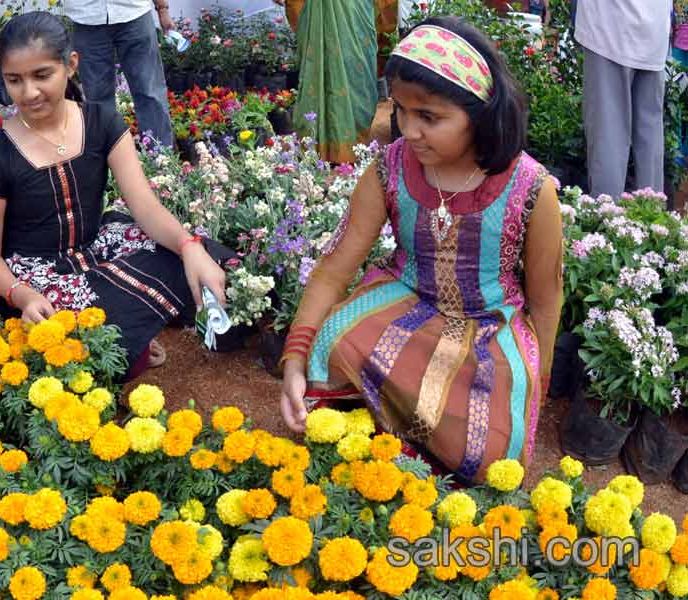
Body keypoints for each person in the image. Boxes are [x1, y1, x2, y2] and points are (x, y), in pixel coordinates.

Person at [278, 17, 564, 482]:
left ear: (481, 112)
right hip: (406, 303)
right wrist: (293, 358)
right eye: (401, 110)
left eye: (429, 117)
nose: (409, 130)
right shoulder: (389, 169)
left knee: (493, 452)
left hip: (489, 326)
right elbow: (333, 271)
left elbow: (547, 302)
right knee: (327, 347)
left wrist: (536, 387)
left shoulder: (530, 188)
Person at [0, 12, 227, 381]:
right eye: (15, 80)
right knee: (101, 333)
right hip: (35, 278)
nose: (28, 92)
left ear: (70, 65)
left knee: (197, 254)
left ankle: (129, 334)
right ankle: (126, 339)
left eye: (42, 75)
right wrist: (22, 296)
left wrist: (189, 246)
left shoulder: (101, 121)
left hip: (96, 248)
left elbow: (144, 205)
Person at [575, 0, 672, 198]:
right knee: (650, 142)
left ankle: (606, 219)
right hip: (655, 30)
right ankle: (654, 221)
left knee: (607, 136)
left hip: (607, 29)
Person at [275, 0, 379, 163]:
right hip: (324, 10)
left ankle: (341, 144)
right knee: (324, 66)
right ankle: (326, 145)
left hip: (354, 14)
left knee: (354, 68)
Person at [64, 0, 174, 147]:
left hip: (135, 13)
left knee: (150, 92)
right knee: (97, 99)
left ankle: (161, 158)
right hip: (87, 18)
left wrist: (162, 9)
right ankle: (107, 160)